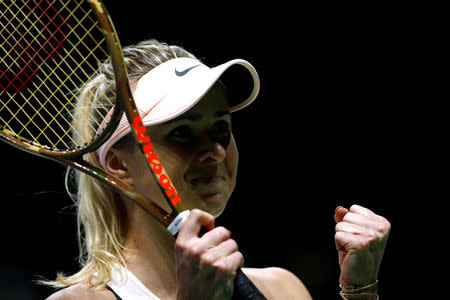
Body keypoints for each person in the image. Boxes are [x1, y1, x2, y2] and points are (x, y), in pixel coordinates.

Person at [45, 39, 390, 300]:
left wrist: (360, 290)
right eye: (181, 132)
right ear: (119, 164)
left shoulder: (281, 289)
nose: (215, 149)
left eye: (221, 127)